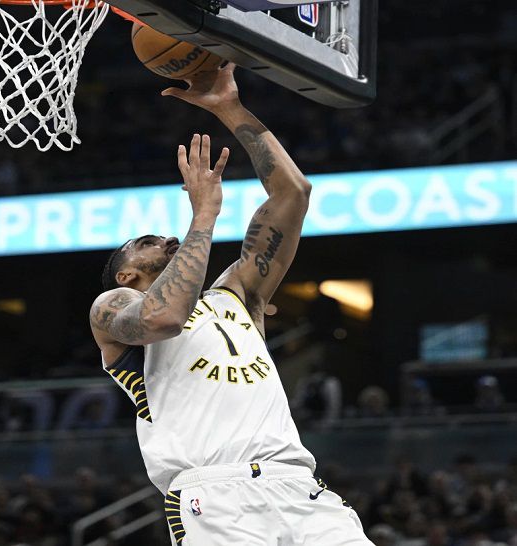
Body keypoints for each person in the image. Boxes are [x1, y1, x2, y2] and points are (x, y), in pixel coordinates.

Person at [88, 64, 371, 545]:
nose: (169, 237)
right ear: (126, 274)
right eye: (149, 240)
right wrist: (204, 214)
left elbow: (293, 194)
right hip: (214, 495)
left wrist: (228, 107)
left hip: (298, 485)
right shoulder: (113, 307)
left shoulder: (236, 294)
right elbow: (165, 317)